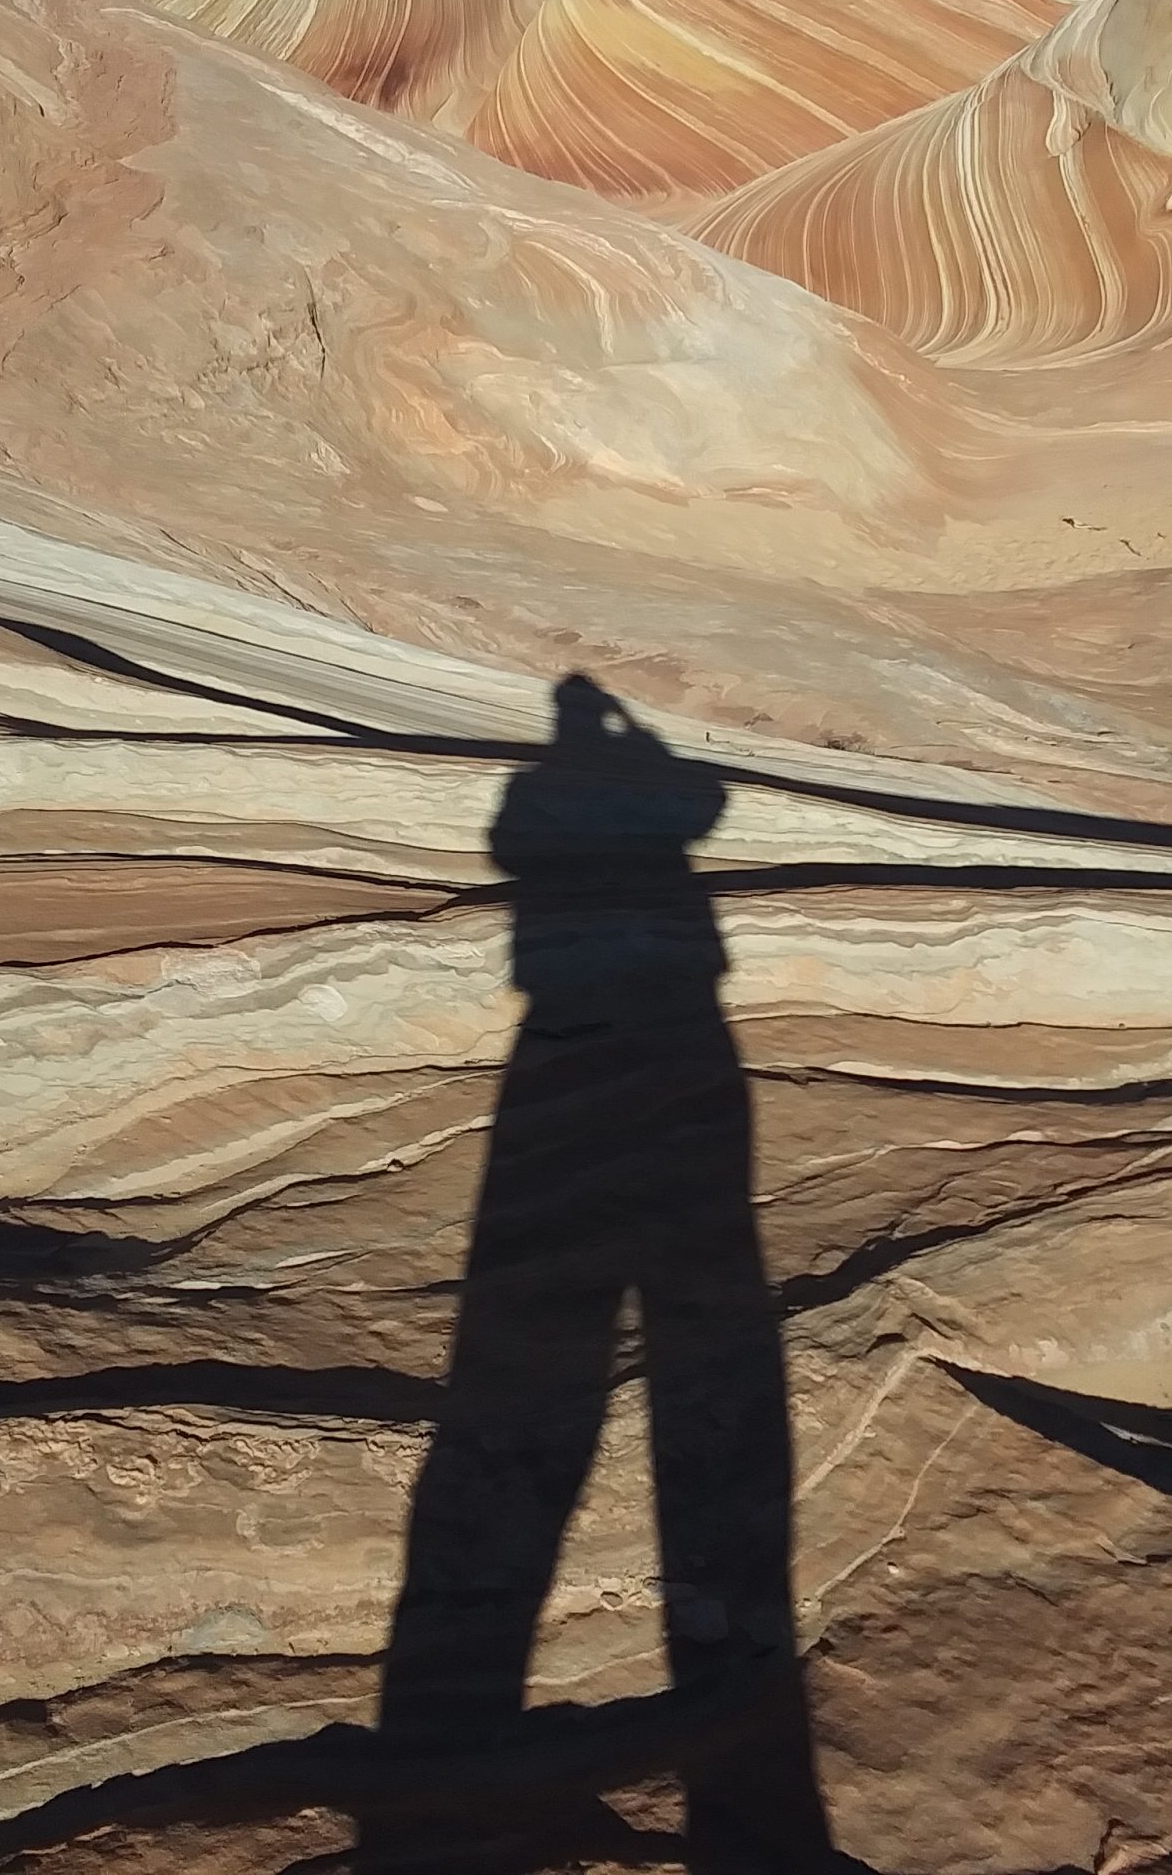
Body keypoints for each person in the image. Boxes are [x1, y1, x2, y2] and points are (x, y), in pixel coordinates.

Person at [361, 675, 834, 1871]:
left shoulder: (532, 803)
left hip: (573, 1046)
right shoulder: (566, 804)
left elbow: (686, 800)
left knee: (528, 1377)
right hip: (662, 1038)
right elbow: (702, 797)